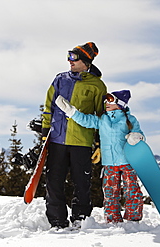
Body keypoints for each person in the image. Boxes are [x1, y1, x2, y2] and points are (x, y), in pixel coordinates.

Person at [42, 42, 107, 228]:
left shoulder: (97, 86)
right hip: (57, 139)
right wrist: (46, 130)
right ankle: (57, 221)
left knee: (81, 183)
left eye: (74, 57)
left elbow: (101, 116)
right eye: (69, 56)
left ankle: (81, 219)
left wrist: (99, 143)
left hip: (82, 142)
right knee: (54, 182)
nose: (69, 60)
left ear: (86, 61)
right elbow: (49, 106)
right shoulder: (60, 80)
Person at [55, 89, 145, 223]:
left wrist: (136, 137)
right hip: (109, 163)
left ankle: (133, 218)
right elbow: (86, 120)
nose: (106, 103)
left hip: (127, 162)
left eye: (110, 100)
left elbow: (139, 134)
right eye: (106, 100)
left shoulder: (130, 120)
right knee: (110, 192)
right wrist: (71, 111)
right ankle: (112, 219)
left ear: (120, 104)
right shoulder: (103, 119)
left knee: (131, 189)